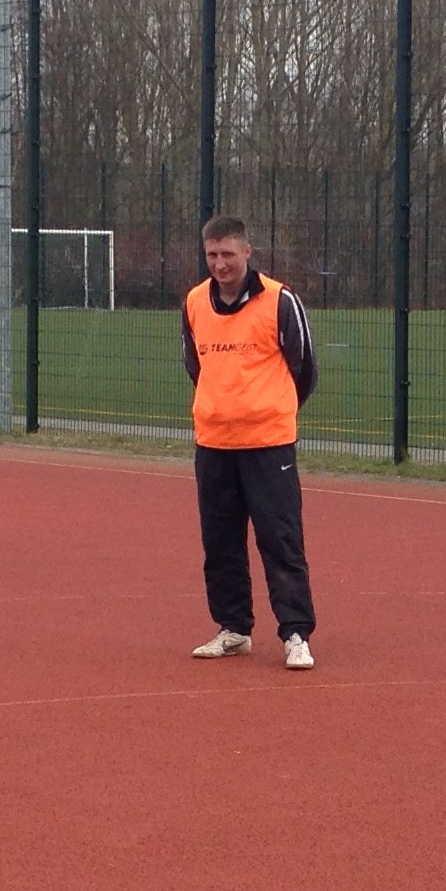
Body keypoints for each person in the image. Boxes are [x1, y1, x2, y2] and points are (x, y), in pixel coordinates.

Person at [181, 212, 320, 670]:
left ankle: (295, 633)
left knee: (280, 539)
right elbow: (195, 366)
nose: (220, 264)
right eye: (211, 255)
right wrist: (220, 407)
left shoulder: (280, 300)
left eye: (227, 254)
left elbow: (304, 368)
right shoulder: (194, 302)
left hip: (268, 444)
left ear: (247, 252)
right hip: (214, 443)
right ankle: (234, 628)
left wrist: (269, 408)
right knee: (220, 542)